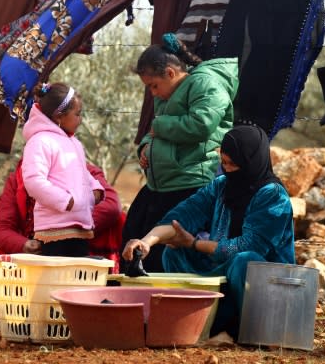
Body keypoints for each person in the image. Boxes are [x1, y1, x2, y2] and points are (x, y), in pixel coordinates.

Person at [122, 124, 295, 340]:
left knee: (245, 260)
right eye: (224, 163)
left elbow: (247, 246)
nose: (228, 169)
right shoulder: (222, 186)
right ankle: (192, 323)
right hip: (222, 268)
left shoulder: (273, 196)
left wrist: (194, 244)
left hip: (265, 287)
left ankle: (251, 331)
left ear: (251, 162)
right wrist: (147, 241)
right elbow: (182, 216)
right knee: (173, 252)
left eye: (233, 164)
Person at [122, 33, 238, 272]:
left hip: (192, 178)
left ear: (171, 74)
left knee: (167, 250)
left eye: (154, 86)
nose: (153, 93)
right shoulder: (169, 93)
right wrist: (145, 146)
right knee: (134, 231)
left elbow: (202, 123)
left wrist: (158, 128)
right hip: (164, 181)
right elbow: (157, 127)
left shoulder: (206, 83)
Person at [0, 158, 124, 282]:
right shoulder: (18, 179)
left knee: (120, 221)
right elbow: (1, 228)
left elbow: (111, 205)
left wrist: (69, 227)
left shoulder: (84, 170)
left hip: (81, 244)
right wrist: (24, 244)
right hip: (41, 248)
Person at [20, 82, 105, 257]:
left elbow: (80, 173)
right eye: (78, 114)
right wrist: (65, 201)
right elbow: (34, 181)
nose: (80, 119)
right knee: (59, 278)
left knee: (77, 277)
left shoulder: (73, 142)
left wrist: (95, 189)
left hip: (79, 225)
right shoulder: (40, 141)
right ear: (59, 116)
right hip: (55, 229)